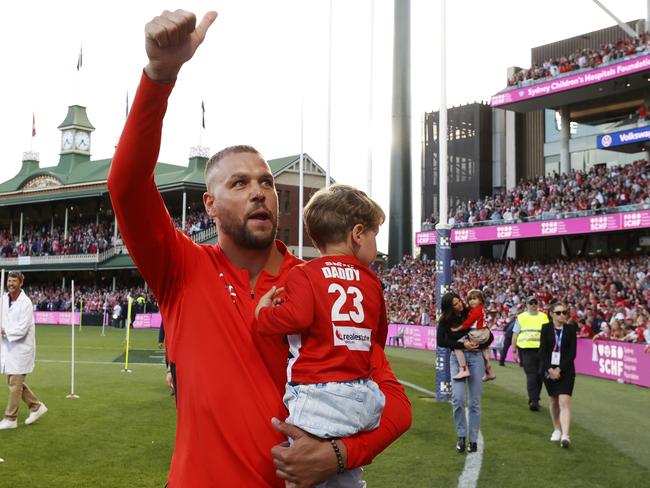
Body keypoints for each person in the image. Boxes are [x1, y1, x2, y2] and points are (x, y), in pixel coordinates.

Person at [107, 9, 411, 487]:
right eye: (241, 182)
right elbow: (126, 187)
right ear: (209, 203)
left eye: (267, 182)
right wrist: (159, 78)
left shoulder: (322, 283)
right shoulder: (180, 269)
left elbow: (392, 397)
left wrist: (339, 454)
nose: (259, 191)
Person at [254, 184, 391, 487]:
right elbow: (378, 337)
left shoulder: (305, 273)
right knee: (347, 474)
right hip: (362, 399)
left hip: (316, 398)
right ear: (357, 234)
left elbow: (296, 317)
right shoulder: (371, 280)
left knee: (304, 472)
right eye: (374, 234)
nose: (375, 243)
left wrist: (263, 314)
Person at [436, 292, 491, 454]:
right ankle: (461, 436)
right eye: (454, 303)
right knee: (458, 399)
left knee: (474, 402)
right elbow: (441, 341)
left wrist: (479, 341)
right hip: (456, 358)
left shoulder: (472, 311)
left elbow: (490, 336)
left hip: (475, 358)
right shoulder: (445, 320)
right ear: (449, 307)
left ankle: (473, 440)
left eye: (459, 301)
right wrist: (462, 345)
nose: (459, 304)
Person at [0, 271, 48, 430]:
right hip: (8, 348)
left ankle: (10, 418)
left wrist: (4, 331)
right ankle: (36, 406)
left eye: (14, 281)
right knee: (14, 382)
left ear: (21, 283)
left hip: (21, 348)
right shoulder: (4, 298)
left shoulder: (25, 302)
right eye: (9, 280)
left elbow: (22, 329)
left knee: (14, 383)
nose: (10, 283)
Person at [538, 302, 577, 448]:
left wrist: (559, 369)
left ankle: (566, 435)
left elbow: (572, 353)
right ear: (551, 314)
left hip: (566, 370)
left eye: (565, 312)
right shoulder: (546, 328)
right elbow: (542, 352)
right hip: (549, 369)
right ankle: (557, 429)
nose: (562, 315)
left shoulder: (571, 329)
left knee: (564, 401)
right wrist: (550, 369)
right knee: (554, 400)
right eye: (559, 312)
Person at [450, 289, 496, 382]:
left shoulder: (477, 311)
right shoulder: (479, 308)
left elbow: (468, 323)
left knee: (457, 345)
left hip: (478, 333)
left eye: (474, 299)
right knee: (483, 349)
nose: (471, 301)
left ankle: (463, 369)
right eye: (470, 299)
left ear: (480, 300)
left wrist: (457, 329)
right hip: (484, 332)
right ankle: (489, 371)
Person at [512, 297, 549, 411]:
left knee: (540, 375)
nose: (533, 305)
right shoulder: (521, 317)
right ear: (526, 305)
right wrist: (514, 351)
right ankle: (534, 400)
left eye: (535, 303)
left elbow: (548, 333)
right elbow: (515, 334)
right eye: (531, 303)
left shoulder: (544, 316)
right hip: (526, 350)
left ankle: (535, 398)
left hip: (541, 350)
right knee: (532, 375)